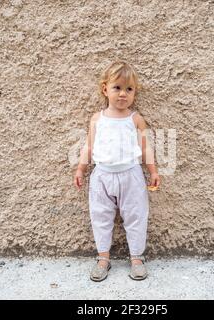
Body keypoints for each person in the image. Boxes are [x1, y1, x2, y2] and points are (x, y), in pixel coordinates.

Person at [73, 61, 160, 281]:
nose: (123, 94)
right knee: (100, 216)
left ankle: (137, 258)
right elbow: (89, 146)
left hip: (131, 175)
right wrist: (81, 168)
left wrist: (153, 170)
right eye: (117, 88)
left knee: (136, 215)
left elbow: (145, 147)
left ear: (134, 92)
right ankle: (103, 258)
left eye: (129, 89)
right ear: (105, 89)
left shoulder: (135, 119)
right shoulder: (97, 119)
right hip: (102, 175)